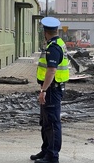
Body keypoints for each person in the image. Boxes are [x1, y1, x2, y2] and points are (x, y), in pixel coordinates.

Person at [30, 17, 69, 163]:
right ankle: (46, 150)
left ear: (45, 32)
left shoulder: (53, 47)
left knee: (52, 123)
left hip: (52, 89)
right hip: (51, 88)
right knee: (46, 121)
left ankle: (52, 156)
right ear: (56, 30)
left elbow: (51, 71)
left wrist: (43, 91)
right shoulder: (57, 43)